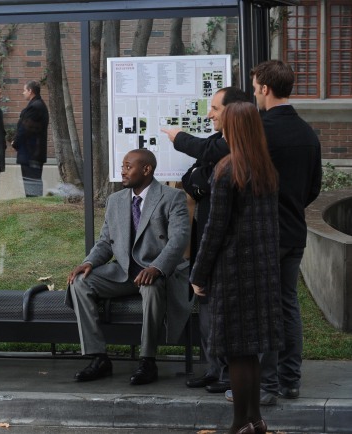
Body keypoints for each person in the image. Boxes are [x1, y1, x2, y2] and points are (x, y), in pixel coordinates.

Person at [190, 101, 284, 434]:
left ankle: (239, 424)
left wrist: (198, 275)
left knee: (236, 352)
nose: (218, 122)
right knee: (249, 352)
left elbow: (215, 229)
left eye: (224, 120)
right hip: (261, 270)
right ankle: (255, 420)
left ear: (235, 128)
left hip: (232, 272)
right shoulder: (264, 167)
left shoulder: (228, 169)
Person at [66, 149, 191, 385]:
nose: (122, 171)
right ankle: (98, 357)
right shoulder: (116, 201)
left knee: (153, 288)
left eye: (127, 166)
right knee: (80, 282)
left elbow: (179, 239)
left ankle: (147, 360)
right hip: (123, 273)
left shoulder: (172, 197)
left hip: (156, 273)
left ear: (147, 169)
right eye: (122, 166)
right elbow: (105, 241)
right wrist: (88, 262)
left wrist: (157, 268)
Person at [161, 86, 247, 394]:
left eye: (214, 108)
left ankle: (227, 372)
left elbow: (207, 161)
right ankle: (214, 368)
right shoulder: (218, 142)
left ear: (233, 112)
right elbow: (192, 177)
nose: (208, 113)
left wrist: (181, 140)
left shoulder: (239, 148)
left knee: (223, 309)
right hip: (207, 237)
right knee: (206, 304)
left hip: (224, 244)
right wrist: (199, 180)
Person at [251, 60, 322, 405]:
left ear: (265, 88)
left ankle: (266, 386)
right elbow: (313, 188)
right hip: (294, 232)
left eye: (255, 88)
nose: (254, 94)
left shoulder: (261, 130)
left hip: (264, 235)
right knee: (287, 306)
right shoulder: (308, 132)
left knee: (264, 309)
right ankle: (289, 380)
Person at [12, 80, 49, 197]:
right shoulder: (39, 105)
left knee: (32, 186)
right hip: (35, 152)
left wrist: (15, 143)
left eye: (24, 90)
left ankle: (34, 207)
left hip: (31, 153)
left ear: (30, 91)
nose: (23, 93)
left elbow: (24, 129)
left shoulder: (34, 107)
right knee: (34, 184)